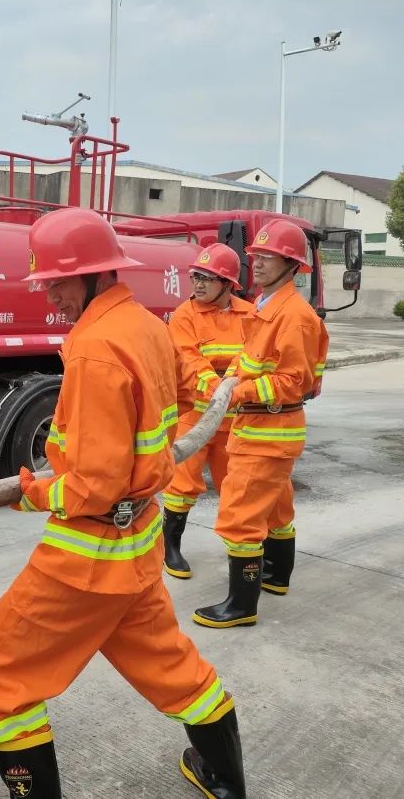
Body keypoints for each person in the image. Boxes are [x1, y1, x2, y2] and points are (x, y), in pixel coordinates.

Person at [0, 208, 246, 799]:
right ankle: (225, 779)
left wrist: (36, 491)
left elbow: (93, 485)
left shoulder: (94, 349)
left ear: (97, 274)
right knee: (172, 667)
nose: (51, 297)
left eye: (60, 283)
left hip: (86, 556)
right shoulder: (146, 325)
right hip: (135, 545)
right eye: (46, 283)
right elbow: (166, 414)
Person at [192, 219, 329, 629]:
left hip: (268, 431)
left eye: (271, 257)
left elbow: (294, 381)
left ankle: (241, 604)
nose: (260, 263)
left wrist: (239, 392)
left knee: (240, 514)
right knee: (276, 507)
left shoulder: (293, 316)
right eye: (257, 256)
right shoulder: (266, 308)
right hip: (264, 430)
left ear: (293, 265)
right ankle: (276, 577)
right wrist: (231, 377)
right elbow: (250, 357)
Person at [161, 244, 254, 579]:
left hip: (235, 419)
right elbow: (189, 361)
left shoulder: (250, 315)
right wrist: (220, 387)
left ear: (228, 283)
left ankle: (240, 554)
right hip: (194, 417)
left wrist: (231, 383)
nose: (198, 284)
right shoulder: (184, 315)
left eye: (207, 278)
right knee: (182, 484)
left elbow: (252, 357)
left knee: (234, 486)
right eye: (195, 276)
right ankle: (170, 547)